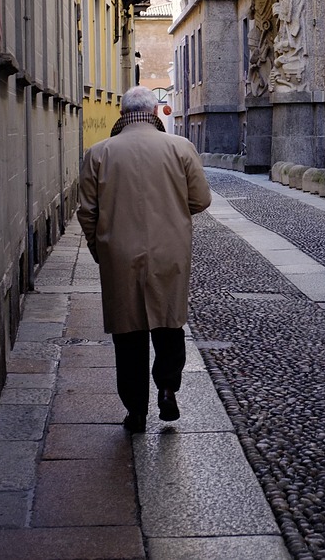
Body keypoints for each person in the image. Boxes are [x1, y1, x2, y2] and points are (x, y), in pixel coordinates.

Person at [76, 86, 212, 432]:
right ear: (155, 113)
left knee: (128, 333)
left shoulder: (98, 153)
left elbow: (87, 212)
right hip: (170, 251)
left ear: (122, 114)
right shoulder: (180, 147)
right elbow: (201, 200)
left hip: (118, 254)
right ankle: (167, 389)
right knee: (169, 324)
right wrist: (174, 211)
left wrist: (100, 249)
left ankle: (136, 410)